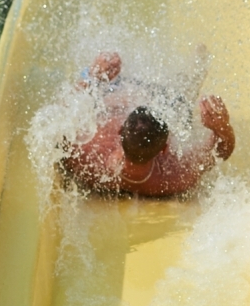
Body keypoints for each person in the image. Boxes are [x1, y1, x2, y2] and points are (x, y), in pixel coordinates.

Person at [61, 51, 235, 197]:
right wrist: (222, 127)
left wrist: (93, 75)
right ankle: (194, 76)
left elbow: (58, 114)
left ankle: (190, 80)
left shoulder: (85, 158)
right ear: (165, 148)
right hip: (163, 101)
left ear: (120, 130)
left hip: (117, 95)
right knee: (180, 102)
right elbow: (221, 152)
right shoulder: (173, 177)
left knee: (117, 93)